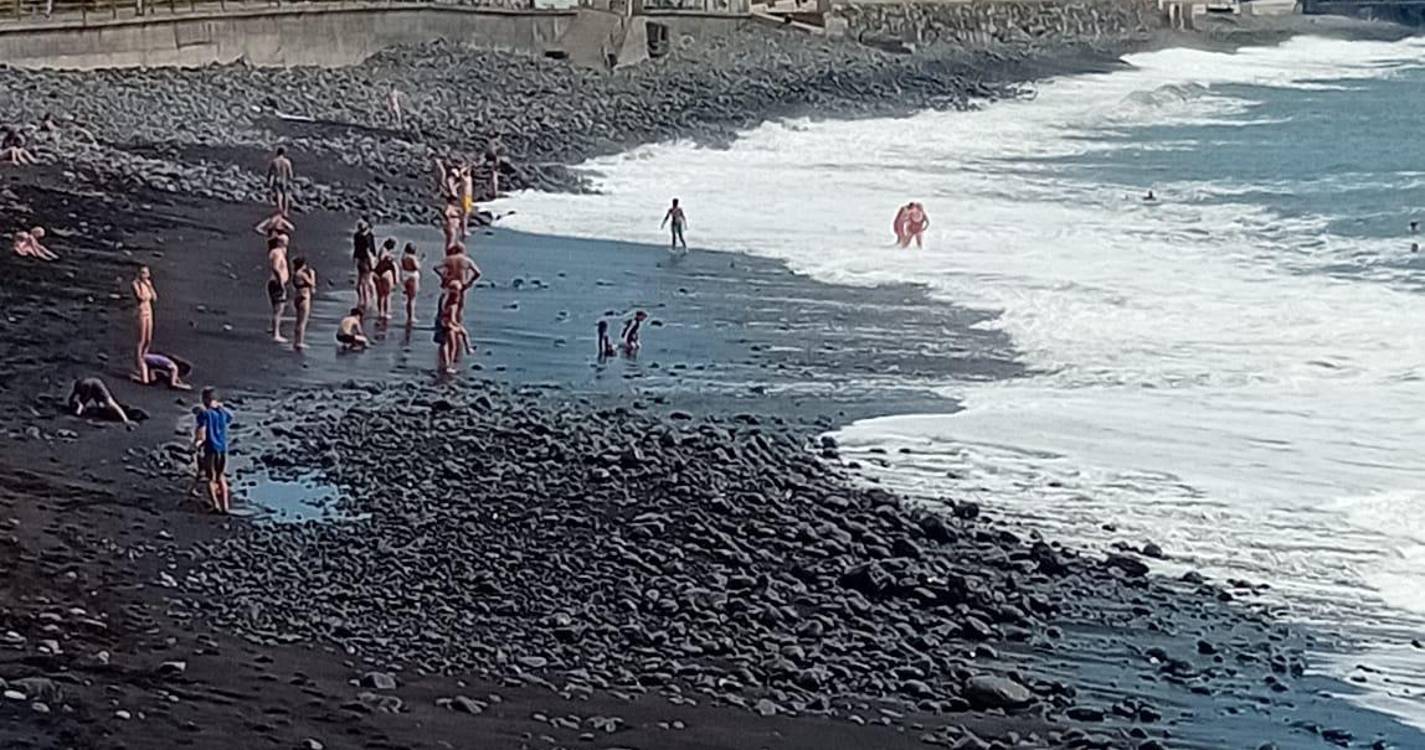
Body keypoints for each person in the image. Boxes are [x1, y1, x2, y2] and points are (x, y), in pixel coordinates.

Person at [193, 387, 233, 514]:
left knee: (211, 478)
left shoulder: (205, 414)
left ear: (205, 400)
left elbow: (202, 429)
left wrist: (198, 443)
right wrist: (221, 407)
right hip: (222, 448)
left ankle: (215, 504)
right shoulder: (223, 413)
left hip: (210, 448)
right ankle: (225, 506)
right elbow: (230, 417)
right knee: (221, 476)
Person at [68, 377, 132, 428]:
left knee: (110, 403)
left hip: (98, 386)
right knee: (100, 406)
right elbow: (72, 396)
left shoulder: (87, 386)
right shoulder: (78, 385)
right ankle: (106, 413)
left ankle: (125, 419)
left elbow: (85, 399)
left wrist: (78, 412)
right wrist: (71, 404)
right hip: (93, 385)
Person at [131, 266, 157, 384]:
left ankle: (144, 360)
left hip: (149, 311)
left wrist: (150, 286)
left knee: (148, 339)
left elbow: (154, 297)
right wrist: (143, 285)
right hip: (141, 312)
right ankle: (140, 366)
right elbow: (140, 297)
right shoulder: (135, 284)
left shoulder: (148, 283)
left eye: (146, 272)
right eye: (142, 272)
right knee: (141, 340)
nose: (145, 274)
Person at [267, 235, 290, 343]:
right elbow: (276, 267)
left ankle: (273, 329)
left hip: (275, 283)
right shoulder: (277, 253)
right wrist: (281, 282)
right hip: (277, 283)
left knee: (277, 308)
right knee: (279, 309)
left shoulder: (278, 252)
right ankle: (276, 334)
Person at [291, 257, 316, 351]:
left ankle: (296, 341)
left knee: (298, 321)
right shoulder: (302, 274)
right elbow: (311, 283)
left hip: (297, 296)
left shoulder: (295, 274)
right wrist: (312, 275)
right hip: (304, 297)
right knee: (302, 322)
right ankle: (299, 342)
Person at [352, 220, 376, 312]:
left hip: (364, 259)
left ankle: (365, 300)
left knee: (364, 281)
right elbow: (368, 250)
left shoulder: (361, 236)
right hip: (365, 259)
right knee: (366, 281)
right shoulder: (366, 236)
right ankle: (368, 300)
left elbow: (368, 250)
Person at [373, 238, 398, 321]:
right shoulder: (386, 253)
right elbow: (384, 259)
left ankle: (381, 312)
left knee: (380, 295)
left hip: (377, 272)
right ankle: (386, 312)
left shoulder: (381, 250)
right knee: (387, 295)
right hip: (385, 273)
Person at [266, 146, 294, 215]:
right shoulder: (287, 161)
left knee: (278, 194)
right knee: (285, 195)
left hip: (277, 178)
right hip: (284, 179)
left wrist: (268, 179)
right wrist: (290, 180)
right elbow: (290, 173)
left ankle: (279, 208)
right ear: (284, 153)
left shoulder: (274, 161)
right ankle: (285, 211)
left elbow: (270, 172)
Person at [399, 242, 421, 324]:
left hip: (405, 275)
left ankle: (409, 316)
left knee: (409, 298)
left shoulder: (403, 257)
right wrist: (419, 261)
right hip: (412, 276)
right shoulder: (412, 258)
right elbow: (416, 267)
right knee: (412, 299)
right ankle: (411, 317)